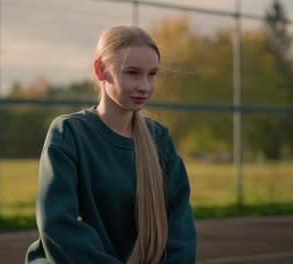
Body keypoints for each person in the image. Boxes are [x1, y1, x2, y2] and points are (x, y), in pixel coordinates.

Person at [25, 25, 196, 264]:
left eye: (152, 74)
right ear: (101, 71)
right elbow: (59, 225)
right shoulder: (69, 133)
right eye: (133, 73)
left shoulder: (159, 140)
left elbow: (180, 230)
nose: (145, 86)